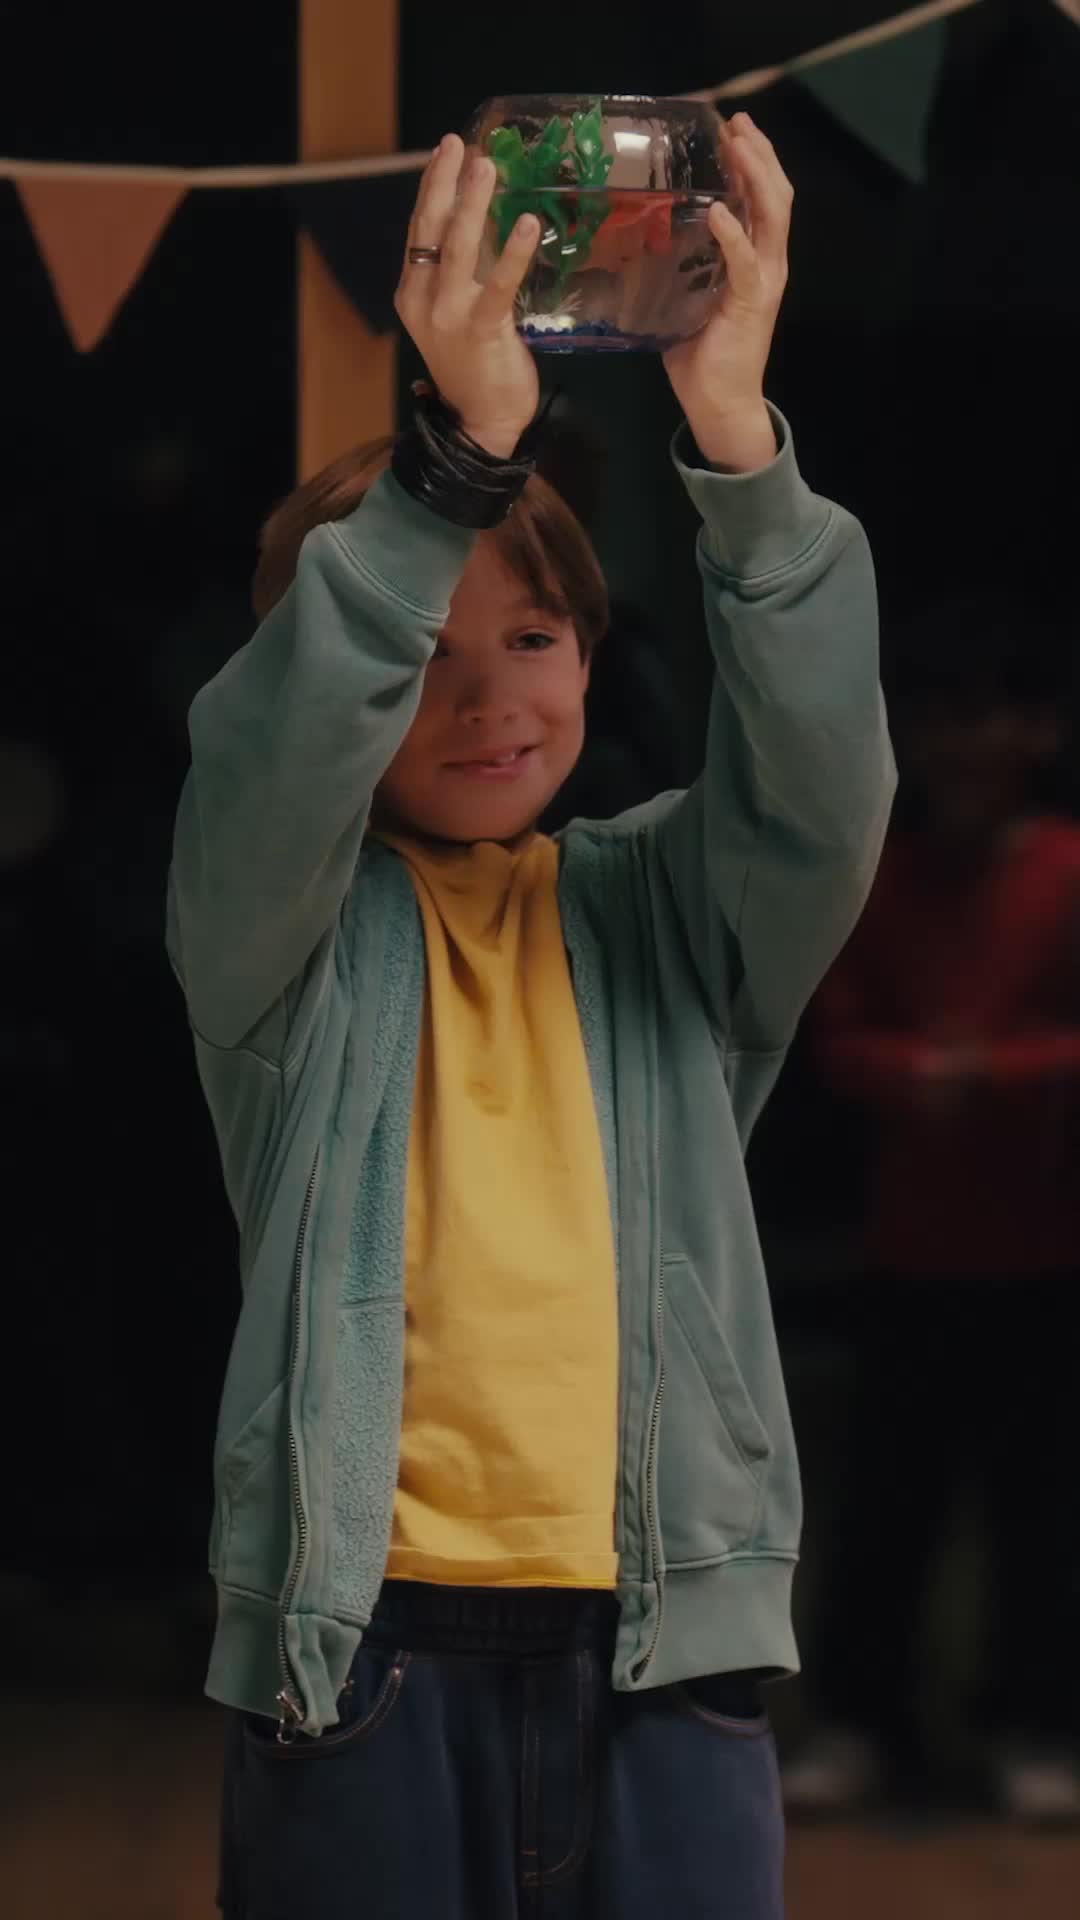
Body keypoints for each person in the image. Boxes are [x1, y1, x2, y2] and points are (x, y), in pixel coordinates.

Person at [168, 119, 894, 1919]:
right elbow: (268, 763)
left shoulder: (664, 911)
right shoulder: (282, 937)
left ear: (591, 648)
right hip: (359, 1661)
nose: (484, 697)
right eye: (416, 653)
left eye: (537, 638)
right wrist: (457, 459)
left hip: (667, 1649)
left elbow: (821, 793)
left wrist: (734, 436)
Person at [786, 598, 1080, 1821]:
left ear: (1039, 732)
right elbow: (834, 1033)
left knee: (1043, 1507)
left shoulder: (1066, 868)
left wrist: (985, 1073)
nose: (965, 741)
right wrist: (917, 1073)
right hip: (910, 1245)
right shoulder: (885, 874)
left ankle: (1037, 1722)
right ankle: (863, 1722)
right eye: (943, 716)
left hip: (1047, 1248)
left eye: (989, 715)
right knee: (885, 1503)